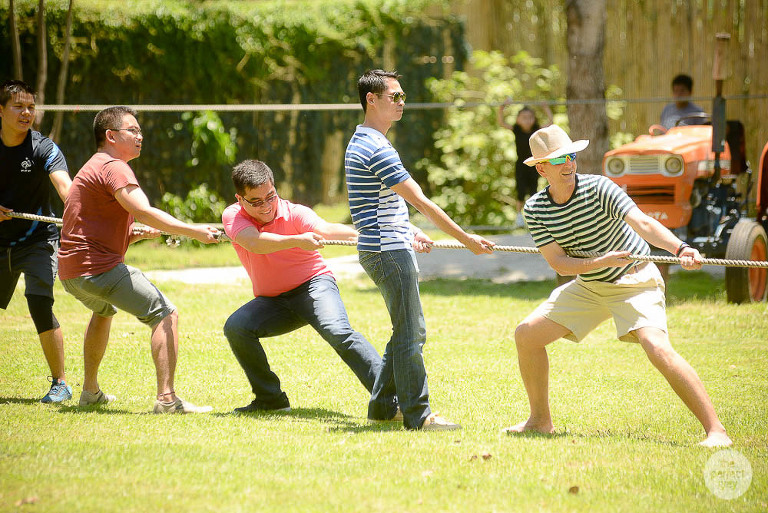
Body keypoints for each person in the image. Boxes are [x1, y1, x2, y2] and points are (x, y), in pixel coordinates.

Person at [503, 124, 732, 447]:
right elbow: (559, 263)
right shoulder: (536, 209)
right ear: (541, 169)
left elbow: (643, 223)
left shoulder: (600, 188)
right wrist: (601, 262)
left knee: (656, 347)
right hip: (591, 285)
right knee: (527, 335)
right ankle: (540, 421)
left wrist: (680, 249)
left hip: (636, 280)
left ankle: (716, 431)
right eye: (558, 159)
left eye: (571, 156)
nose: (568, 164)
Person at [345, 69, 495, 431]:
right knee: (411, 333)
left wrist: (409, 230)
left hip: (386, 246)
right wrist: (466, 239)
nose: (401, 103)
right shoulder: (375, 147)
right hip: (388, 252)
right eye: (394, 96)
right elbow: (421, 202)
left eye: (403, 96)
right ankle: (418, 414)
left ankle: (383, 407)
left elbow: (377, 205)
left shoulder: (363, 141)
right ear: (371, 100)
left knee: (406, 331)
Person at [58, 106, 220, 414]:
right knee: (165, 314)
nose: (140, 136)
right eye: (132, 130)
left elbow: (90, 229)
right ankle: (167, 400)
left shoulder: (93, 166)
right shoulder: (114, 167)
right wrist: (194, 231)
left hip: (71, 273)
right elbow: (143, 210)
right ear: (111, 135)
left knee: (103, 310)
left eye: (140, 130)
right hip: (97, 270)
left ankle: (90, 392)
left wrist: (132, 234)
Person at [221, 159, 396, 415]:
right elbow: (254, 242)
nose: (266, 206)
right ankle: (270, 399)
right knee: (236, 327)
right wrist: (296, 240)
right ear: (240, 199)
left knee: (339, 332)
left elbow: (326, 229)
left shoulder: (295, 213)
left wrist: (373, 238)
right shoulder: (233, 215)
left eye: (270, 196)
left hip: (314, 287)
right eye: (256, 201)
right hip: (273, 302)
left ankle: (393, 401)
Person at [0, 79, 74, 403]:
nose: (26, 113)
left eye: (31, 106)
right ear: (0, 110)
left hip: (37, 240)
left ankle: (60, 383)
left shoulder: (44, 148)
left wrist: (80, 211)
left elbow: (66, 188)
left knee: (39, 301)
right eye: (18, 106)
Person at [498, 100, 553, 228]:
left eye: (530, 117)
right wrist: (501, 108)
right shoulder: (517, 130)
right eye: (524, 118)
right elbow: (502, 123)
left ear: (534, 119)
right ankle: (519, 216)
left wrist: (545, 108)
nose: (527, 121)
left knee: (534, 190)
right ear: (518, 120)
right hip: (521, 164)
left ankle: (535, 217)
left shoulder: (536, 130)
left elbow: (550, 123)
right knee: (520, 191)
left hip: (534, 164)